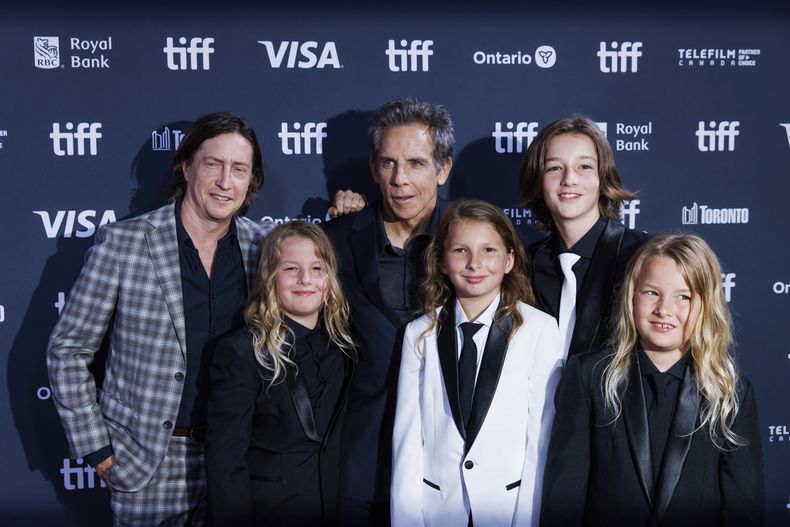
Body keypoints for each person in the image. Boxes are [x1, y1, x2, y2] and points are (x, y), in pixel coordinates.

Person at [46, 112, 274, 526]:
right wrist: (98, 449)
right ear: (186, 167)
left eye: (239, 169)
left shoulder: (264, 249)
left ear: (250, 180)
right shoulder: (125, 243)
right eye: (213, 164)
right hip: (147, 462)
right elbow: (68, 350)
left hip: (238, 458)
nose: (226, 181)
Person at [540, 233, 765, 526]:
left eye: (683, 297)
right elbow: (564, 499)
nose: (664, 310)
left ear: (706, 305)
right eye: (651, 293)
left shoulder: (730, 393)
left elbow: (744, 509)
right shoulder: (589, 377)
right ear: (632, 295)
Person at [391, 199, 562, 527]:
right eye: (460, 251)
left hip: (507, 511)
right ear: (442, 260)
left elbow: (540, 442)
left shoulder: (540, 330)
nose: (474, 263)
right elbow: (408, 442)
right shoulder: (418, 334)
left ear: (509, 259)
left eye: (488, 251)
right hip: (438, 511)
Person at [324, 98, 455, 526]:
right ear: (373, 167)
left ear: (443, 168)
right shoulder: (336, 239)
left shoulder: (472, 244)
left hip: (448, 469)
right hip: (359, 469)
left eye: (416, 163)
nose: (399, 180)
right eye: (388, 163)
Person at [205, 221, 355, 527]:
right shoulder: (241, 352)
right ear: (270, 277)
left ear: (330, 278)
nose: (305, 279)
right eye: (290, 269)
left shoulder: (345, 348)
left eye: (317, 268)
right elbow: (226, 464)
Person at [519, 116, 649, 360]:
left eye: (584, 167)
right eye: (554, 168)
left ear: (603, 177)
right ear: (539, 180)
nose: (569, 179)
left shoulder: (642, 256)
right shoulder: (523, 266)